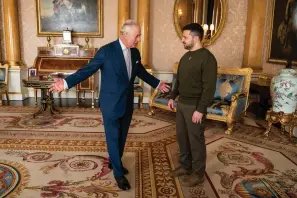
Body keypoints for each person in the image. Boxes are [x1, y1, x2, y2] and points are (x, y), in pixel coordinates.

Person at [49, 19, 170, 191]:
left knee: (122, 136)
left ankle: (115, 162)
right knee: (113, 137)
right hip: (110, 103)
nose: (139, 39)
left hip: (127, 101)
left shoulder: (135, 53)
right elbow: (87, 70)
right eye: (137, 36)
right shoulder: (106, 51)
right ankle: (118, 174)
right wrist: (66, 83)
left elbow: (140, 71)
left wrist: (157, 83)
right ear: (124, 34)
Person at [167, 23, 217, 187]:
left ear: (196, 38)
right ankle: (185, 166)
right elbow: (178, 81)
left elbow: (209, 88)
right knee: (183, 138)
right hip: (182, 105)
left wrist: (200, 110)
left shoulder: (207, 58)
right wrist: (172, 96)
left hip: (195, 106)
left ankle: (198, 173)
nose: (182, 40)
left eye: (185, 37)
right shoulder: (185, 57)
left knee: (195, 140)